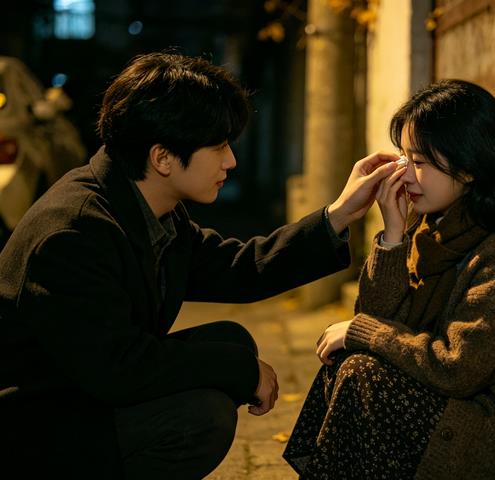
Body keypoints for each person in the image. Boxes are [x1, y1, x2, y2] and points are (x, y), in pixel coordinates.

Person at [0, 52, 400, 479]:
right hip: (33, 431)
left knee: (231, 339)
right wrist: (241, 371)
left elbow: (239, 267)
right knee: (200, 418)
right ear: (163, 157)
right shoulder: (73, 232)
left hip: (83, 394)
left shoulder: (143, 205)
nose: (230, 161)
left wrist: (338, 215)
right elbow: (120, 368)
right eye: (218, 146)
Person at [284, 79, 495, 479]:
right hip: (466, 414)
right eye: (404, 157)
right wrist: (393, 236)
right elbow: (381, 320)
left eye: (420, 161)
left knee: (363, 372)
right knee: (348, 360)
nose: (405, 175)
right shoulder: (434, 231)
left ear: (468, 166)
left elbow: (456, 368)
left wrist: (363, 332)